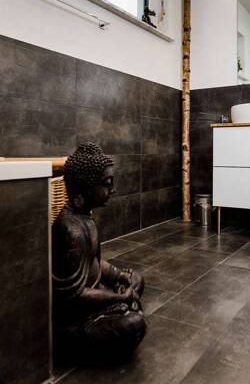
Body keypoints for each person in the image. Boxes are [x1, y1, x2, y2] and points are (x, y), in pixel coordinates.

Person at [52, 142, 146, 364]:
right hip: (75, 319)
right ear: (82, 190)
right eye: (107, 184)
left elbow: (94, 262)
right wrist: (118, 297)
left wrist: (118, 275)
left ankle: (119, 307)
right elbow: (73, 297)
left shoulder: (84, 217)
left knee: (136, 278)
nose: (113, 190)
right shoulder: (70, 230)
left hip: (95, 292)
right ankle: (119, 310)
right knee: (134, 324)